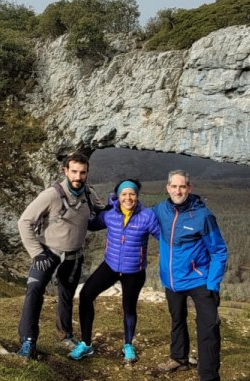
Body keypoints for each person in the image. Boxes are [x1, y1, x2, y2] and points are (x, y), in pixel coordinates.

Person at [16, 152, 103, 359]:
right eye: (74, 172)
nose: (78, 177)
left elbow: (102, 213)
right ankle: (28, 341)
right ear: (65, 171)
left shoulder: (89, 194)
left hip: (74, 255)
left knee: (66, 295)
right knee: (35, 291)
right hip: (47, 252)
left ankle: (64, 335)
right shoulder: (51, 195)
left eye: (82, 172)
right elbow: (24, 222)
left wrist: (119, 206)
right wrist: (37, 253)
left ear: (87, 173)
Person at [153, 169, 228, 381]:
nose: (178, 191)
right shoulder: (160, 210)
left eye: (182, 187)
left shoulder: (203, 216)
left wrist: (213, 284)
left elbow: (219, 251)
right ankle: (179, 358)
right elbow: (138, 218)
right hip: (172, 280)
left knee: (208, 329)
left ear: (189, 188)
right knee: (177, 319)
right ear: (167, 188)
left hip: (199, 280)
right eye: (174, 187)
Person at [69, 178, 160, 363]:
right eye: (124, 194)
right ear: (118, 196)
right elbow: (92, 224)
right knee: (86, 294)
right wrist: (76, 213)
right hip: (110, 266)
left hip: (134, 271)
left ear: (137, 196)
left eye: (132, 194)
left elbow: (164, 237)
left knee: (128, 307)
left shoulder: (147, 216)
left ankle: (128, 345)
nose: (128, 197)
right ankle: (85, 344)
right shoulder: (110, 214)